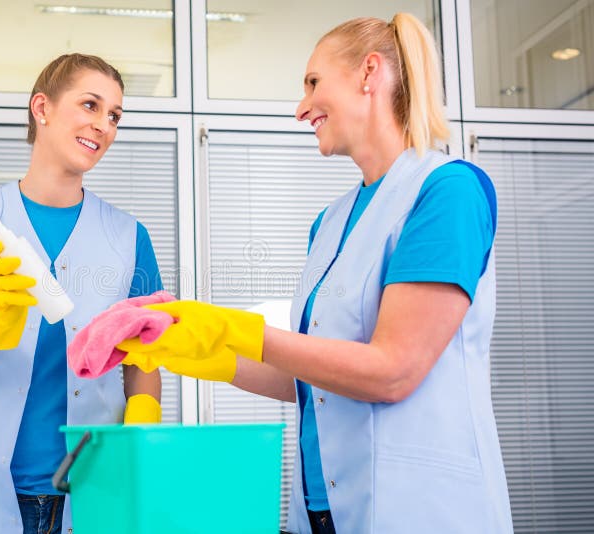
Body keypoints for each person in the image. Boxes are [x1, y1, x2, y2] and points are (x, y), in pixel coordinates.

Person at [117, 13, 513, 534]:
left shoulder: (446, 192)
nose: (302, 107)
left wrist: (233, 328)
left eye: (312, 83)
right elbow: (313, 379)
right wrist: (197, 350)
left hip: (418, 509)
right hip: (322, 511)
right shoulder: (329, 224)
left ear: (369, 73)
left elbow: (392, 370)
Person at [0, 53, 164, 534]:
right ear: (41, 107)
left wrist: (141, 430)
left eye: (114, 115)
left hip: (91, 484)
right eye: (89, 105)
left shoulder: (130, 237)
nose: (103, 125)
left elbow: (142, 358)